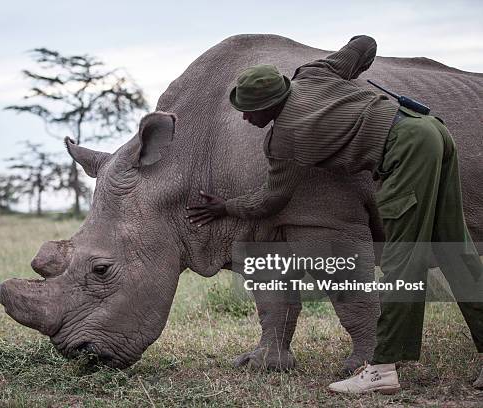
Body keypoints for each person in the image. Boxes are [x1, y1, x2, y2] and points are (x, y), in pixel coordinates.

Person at [185, 35, 483, 393]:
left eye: (251, 110)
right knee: (455, 248)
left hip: (406, 155)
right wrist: (352, 80)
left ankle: (382, 368)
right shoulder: (314, 73)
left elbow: (270, 201)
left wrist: (225, 206)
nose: (246, 118)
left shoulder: (286, 140)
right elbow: (365, 43)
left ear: (269, 106)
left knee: (403, 258)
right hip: (431, 129)